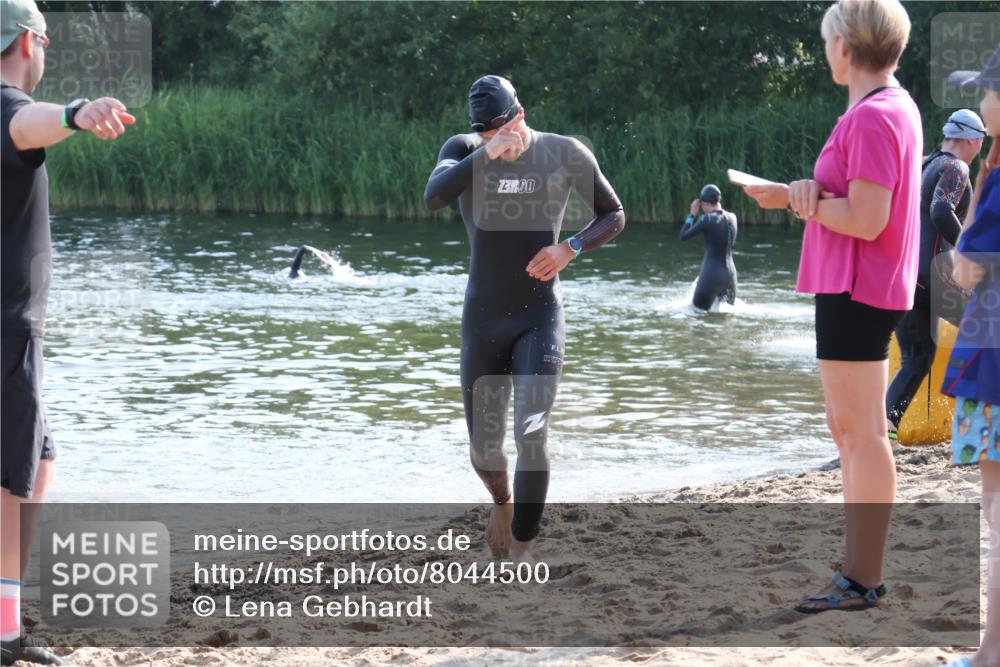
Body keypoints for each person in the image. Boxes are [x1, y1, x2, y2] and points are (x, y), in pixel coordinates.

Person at [741, 0, 921, 613]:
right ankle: (857, 573)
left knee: (861, 434)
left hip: (857, 288)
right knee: (852, 431)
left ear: (845, 45)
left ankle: (861, 580)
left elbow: (868, 219)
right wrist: (808, 192)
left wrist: (794, 199)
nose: (825, 54)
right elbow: (863, 201)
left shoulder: (873, 116)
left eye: (826, 42)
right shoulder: (889, 107)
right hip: (861, 286)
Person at [423, 75, 625, 564]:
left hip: (539, 316)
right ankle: (502, 503)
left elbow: (613, 214)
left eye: (503, 130)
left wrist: (570, 246)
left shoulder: (564, 151)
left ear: (521, 115)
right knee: (484, 449)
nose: (498, 141)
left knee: (531, 433)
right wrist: (486, 153)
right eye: (487, 133)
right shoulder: (464, 149)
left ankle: (524, 547)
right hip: (483, 318)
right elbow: (433, 196)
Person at [1, 1, 136, 664]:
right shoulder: (6, 104)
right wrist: (77, 112)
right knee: (14, 479)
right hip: (6, 329)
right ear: (29, 42)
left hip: (12, 329)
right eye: (46, 42)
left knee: (39, 462)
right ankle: (3, 633)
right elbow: (24, 123)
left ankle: (4, 616)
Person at [940, 43, 1000, 667]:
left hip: (993, 364)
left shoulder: (996, 182)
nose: (984, 105)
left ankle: (990, 654)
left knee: (997, 515)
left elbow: (966, 270)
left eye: (988, 93)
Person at [885, 109, 985, 439]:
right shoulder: (956, 168)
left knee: (917, 358)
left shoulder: (922, 166)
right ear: (972, 140)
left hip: (903, 276)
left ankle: (886, 432)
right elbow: (941, 210)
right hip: (935, 275)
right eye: (980, 141)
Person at [678, 184, 738, 311]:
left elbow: (683, 236)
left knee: (697, 314)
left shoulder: (706, 219)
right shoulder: (733, 217)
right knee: (726, 317)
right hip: (730, 276)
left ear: (704, 204)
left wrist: (692, 214)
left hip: (711, 275)